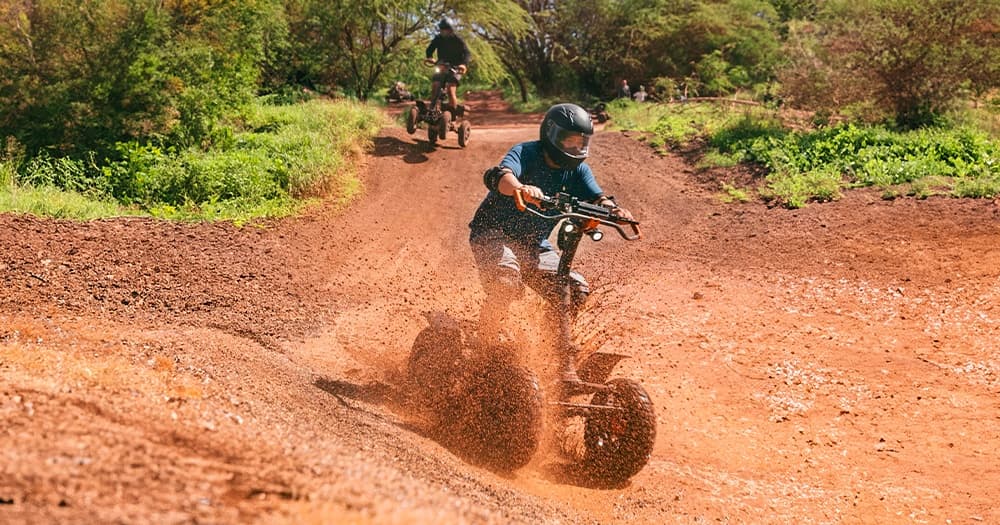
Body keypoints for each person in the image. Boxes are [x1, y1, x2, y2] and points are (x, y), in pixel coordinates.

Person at [469, 103, 634, 387]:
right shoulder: (527, 153)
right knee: (507, 281)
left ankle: (550, 348)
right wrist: (520, 188)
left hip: (534, 246)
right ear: (552, 135)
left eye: (580, 141)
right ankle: (484, 344)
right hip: (492, 234)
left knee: (574, 290)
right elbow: (501, 176)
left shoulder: (579, 170)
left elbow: (598, 198)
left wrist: (613, 210)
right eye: (569, 139)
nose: (576, 146)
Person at [424, 19, 471, 110]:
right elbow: (429, 49)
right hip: (441, 66)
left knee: (450, 89)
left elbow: (467, 53)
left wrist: (463, 64)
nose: (442, 31)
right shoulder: (438, 38)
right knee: (435, 86)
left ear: (450, 30)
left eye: (444, 29)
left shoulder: (457, 39)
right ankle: (432, 110)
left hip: (456, 68)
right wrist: (429, 57)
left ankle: (452, 114)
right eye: (441, 29)